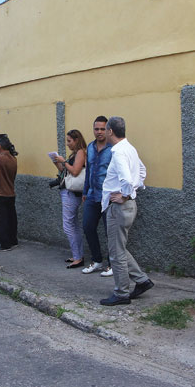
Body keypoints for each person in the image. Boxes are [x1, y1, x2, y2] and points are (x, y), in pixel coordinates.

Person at [98, 117, 152, 306]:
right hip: (126, 206)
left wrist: (125, 195)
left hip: (119, 207)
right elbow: (142, 171)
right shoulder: (130, 148)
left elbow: (127, 180)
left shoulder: (119, 151)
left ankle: (121, 293)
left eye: (105, 130)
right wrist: (131, 193)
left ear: (110, 131)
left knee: (116, 252)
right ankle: (142, 280)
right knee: (119, 247)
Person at [81, 116, 113, 276]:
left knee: (111, 232)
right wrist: (85, 192)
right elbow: (88, 172)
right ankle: (97, 260)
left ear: (108, 130)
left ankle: (112, 264)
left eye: (102, 129)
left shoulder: (113, 148)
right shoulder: (91, 147)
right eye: (96, 129)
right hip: (92, 195)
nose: (99, 132)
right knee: (87, 227)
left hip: (108, 197)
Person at [52, 130, 87, 268]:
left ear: (76, 140)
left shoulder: (81, 152)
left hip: (71, 193)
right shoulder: (76, 153)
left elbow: (75, 171)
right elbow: (66, 171)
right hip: (69, 192)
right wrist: (57, 163)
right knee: (74, 225)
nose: (67, 144)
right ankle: (77, 255)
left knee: (68, 226)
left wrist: (63, 161)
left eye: (69, 141)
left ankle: (78, 258)